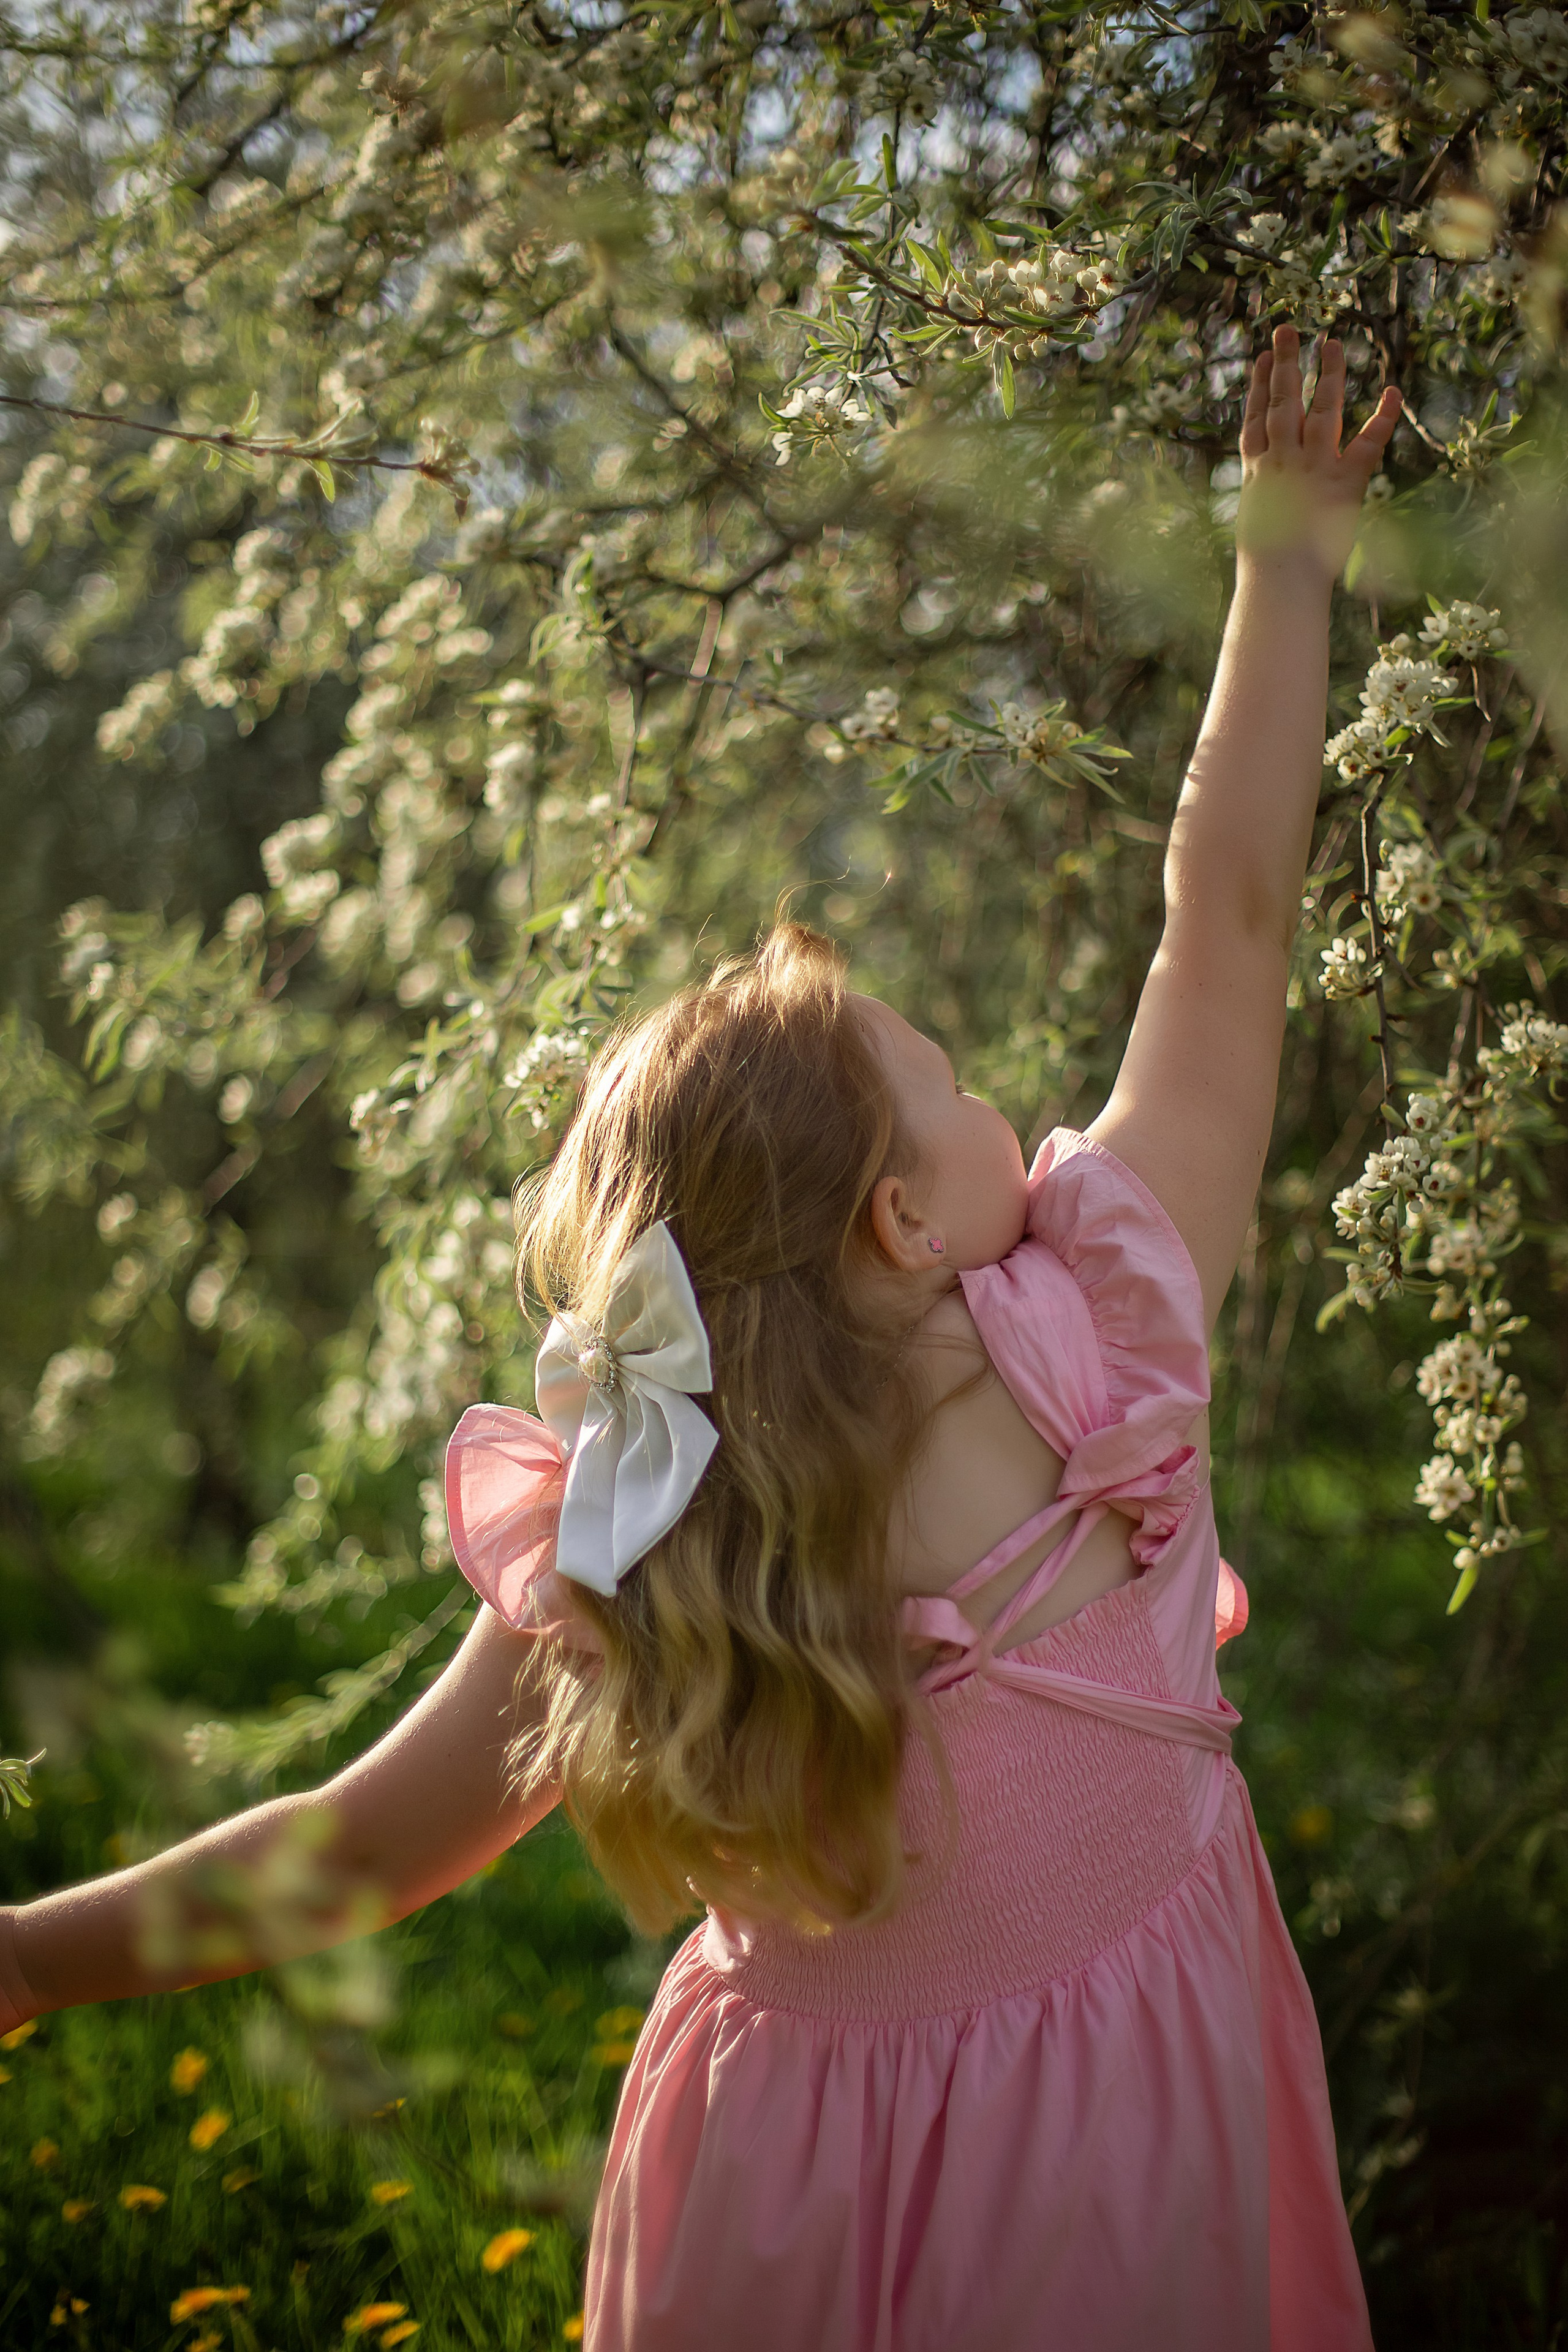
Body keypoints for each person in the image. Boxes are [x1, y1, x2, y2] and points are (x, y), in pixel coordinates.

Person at [0, 325, 1398, 2349]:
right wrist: (1284, 562)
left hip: (774, 2189)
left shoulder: (637, 1520)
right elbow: (1235, 910)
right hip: (1116, 2171)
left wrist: (34, 1958)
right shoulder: (1100, 1333)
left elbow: (355, 1852)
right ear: (905, 1219)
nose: (1015, 1097)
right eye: (952, 1077)